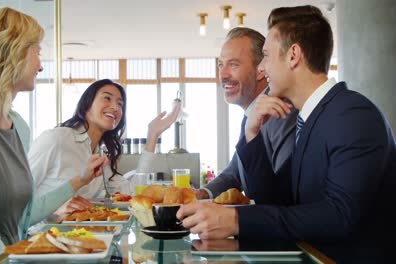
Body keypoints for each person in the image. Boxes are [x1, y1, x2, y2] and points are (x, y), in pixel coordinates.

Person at [179, 5, 396, 262]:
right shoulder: (310, 118)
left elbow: (339, 215)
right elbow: (275, 200)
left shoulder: (353, 113)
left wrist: (237, 220)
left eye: (267, 56)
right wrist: (252, 134)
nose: (262, 67)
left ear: (293, 55)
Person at [0, 8, 102, 263]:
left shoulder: (19, 127)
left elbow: (25, 213)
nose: (41, 65)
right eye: (37, 51)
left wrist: (80, 180)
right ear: (13, 53)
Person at [29, 79, 181, 202]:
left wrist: (153, 135)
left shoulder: (101, 157)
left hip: (83, 235)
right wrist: (52, 212)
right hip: (42, 236)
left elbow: (133, 192)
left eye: (120, 104)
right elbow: (18, 196)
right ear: (87, 104)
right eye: (107, 98)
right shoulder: (57, 138)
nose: (115, 107)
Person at [195, 27, 297, 201]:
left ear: (260, 70)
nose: (223, 74)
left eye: (233, 64)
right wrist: (202, 193)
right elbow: (234, 172)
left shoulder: (281, 111)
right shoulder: (250, 114)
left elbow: (280, 197)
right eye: (221, 64)